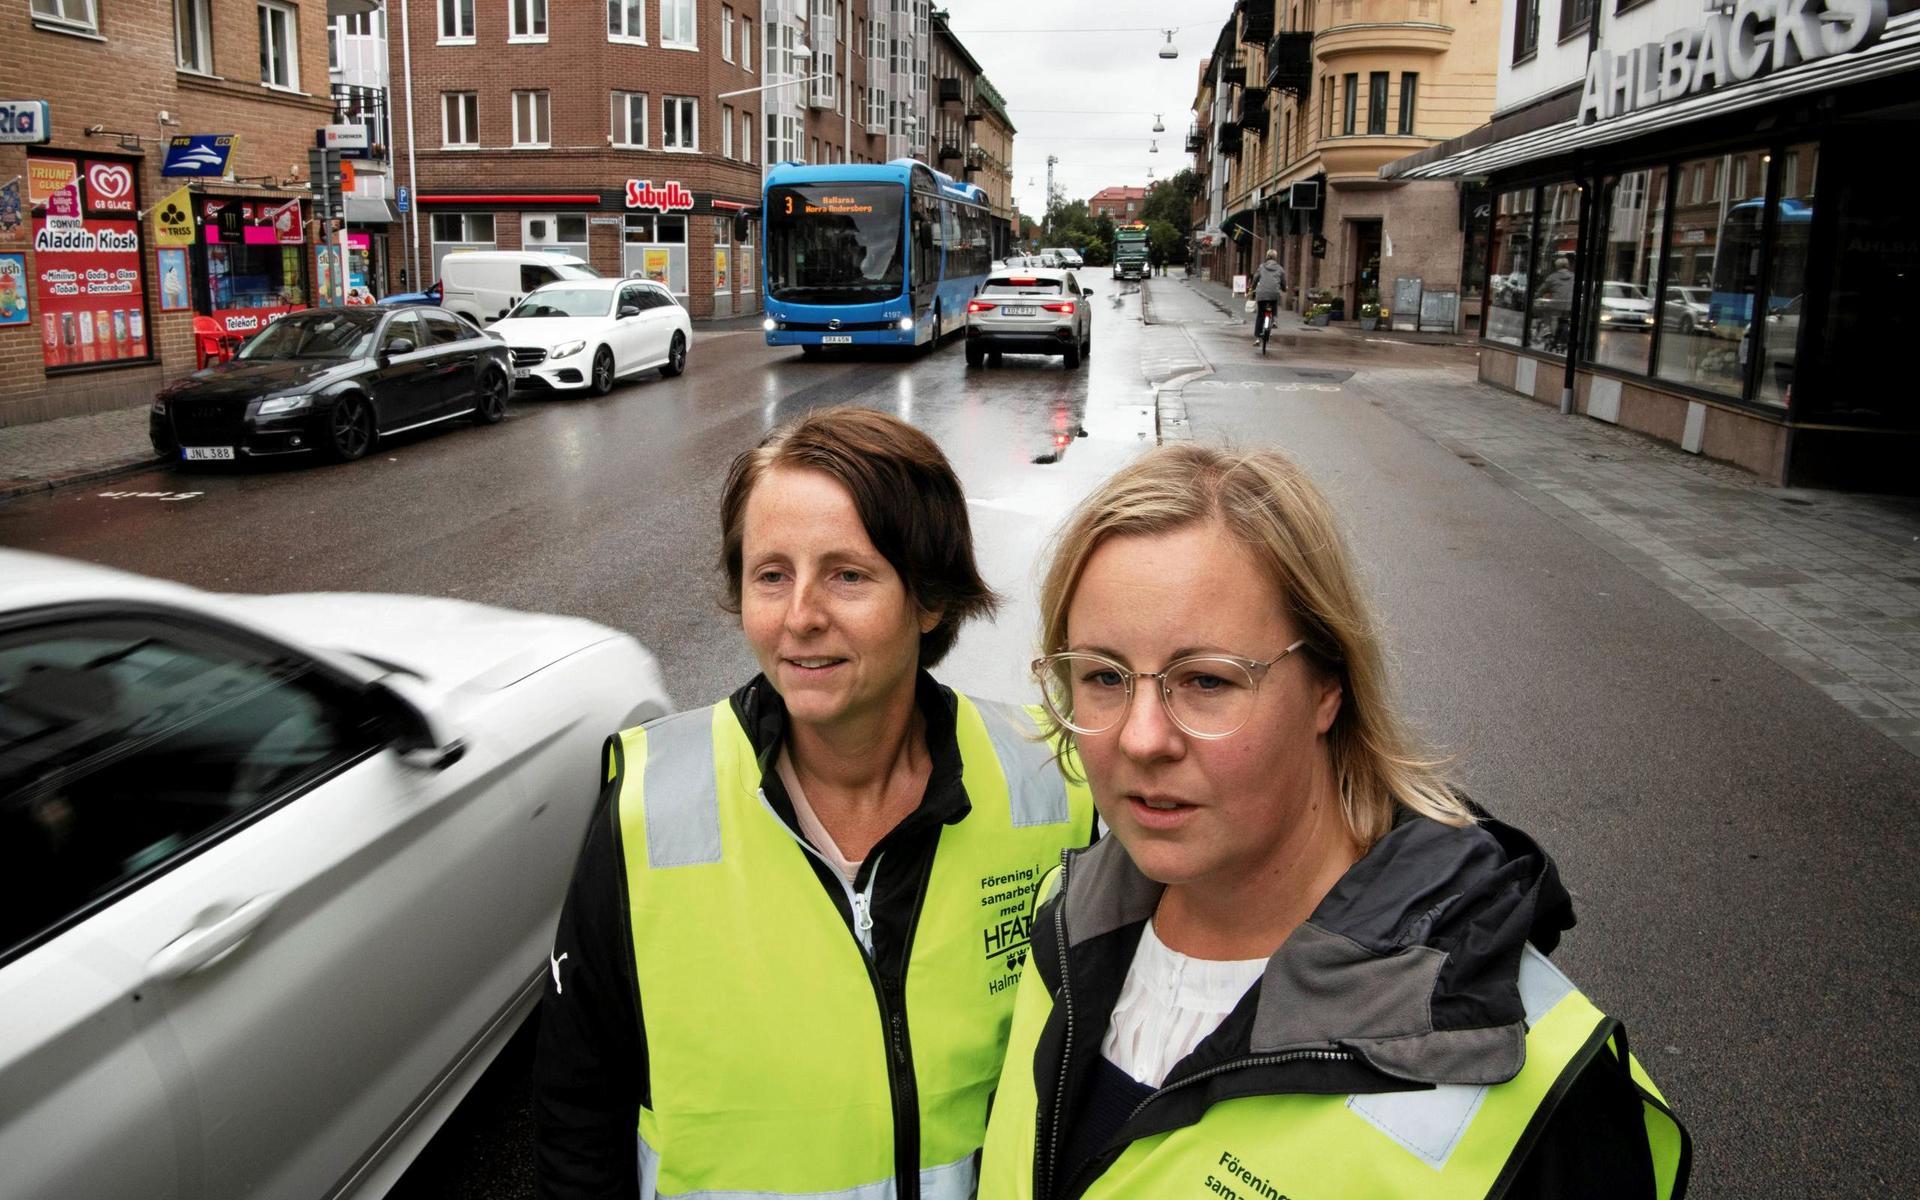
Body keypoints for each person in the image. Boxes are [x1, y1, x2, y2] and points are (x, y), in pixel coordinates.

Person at [978, 445, 1689, 1199]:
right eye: (1103, 676)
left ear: (1329, 687)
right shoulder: (1068, 926)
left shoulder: (1528, 1083)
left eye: (1208, 680)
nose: (1142, 738)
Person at [535, 406, 1098, 1200]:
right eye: (772, 574)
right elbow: (576, 1111)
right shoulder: (650, 806)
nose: (800, 617)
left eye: (848, 574)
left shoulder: (1051, 788)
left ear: (929, 598)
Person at [1251, 250, 1286, 345]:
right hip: (1273, 294)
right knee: (1274, 303)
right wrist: (1284, 289)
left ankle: (1257, 338)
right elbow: (1283, 281)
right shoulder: (1280, 268)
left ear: (1267, 257)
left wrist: (1253, 287)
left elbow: (1255, 278)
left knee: (1260, 315)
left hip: (1261, 294)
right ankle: (1274, 319)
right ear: (1275, 257)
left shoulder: (1262, 267)